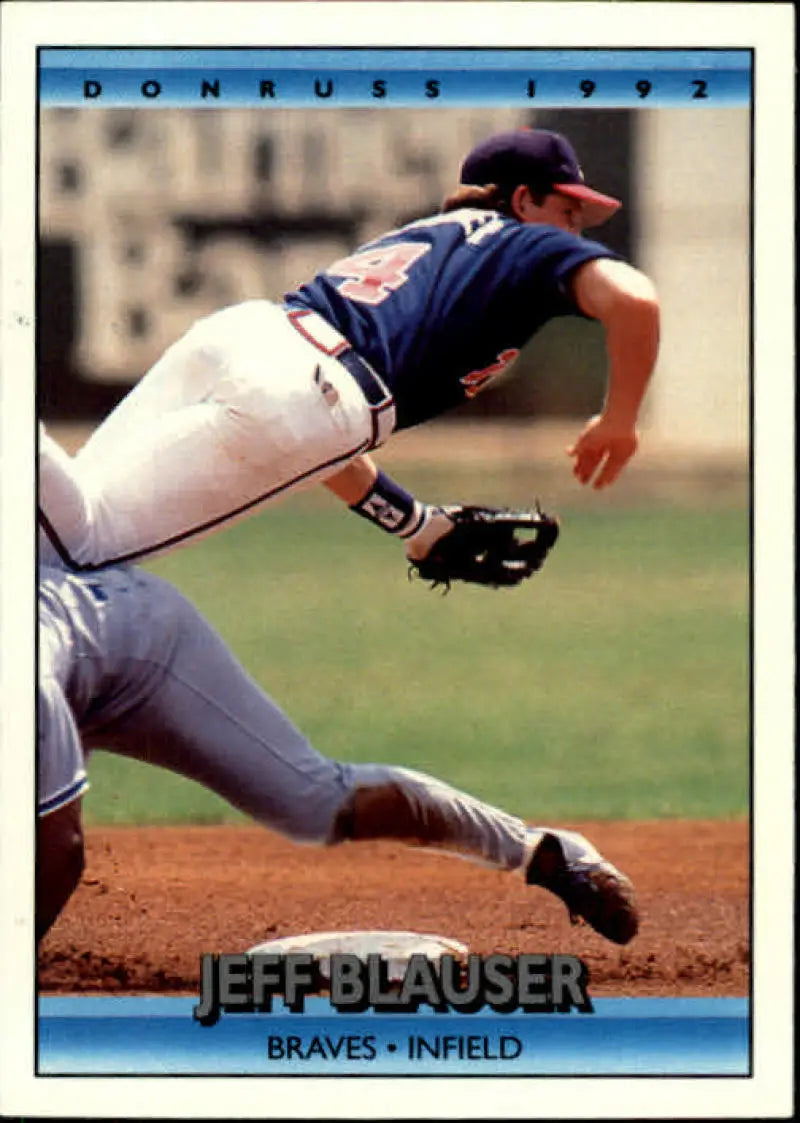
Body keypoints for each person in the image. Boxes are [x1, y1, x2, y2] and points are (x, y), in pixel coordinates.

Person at [38, 128, 659, 574]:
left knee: (50, 534)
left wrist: (415, 523)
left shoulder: (429, 237)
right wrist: (620, 420)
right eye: (569, 210)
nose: (577, 230)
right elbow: (635, 302)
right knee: (83, 551)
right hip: (315, 393)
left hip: (251, 335)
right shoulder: (526, 244)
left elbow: (316, 419)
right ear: (523, 200)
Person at [37, 558, 639, 946]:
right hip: (65, 650)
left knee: (312, 801)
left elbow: (60, 851)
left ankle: (543, 853)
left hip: (139, 649)